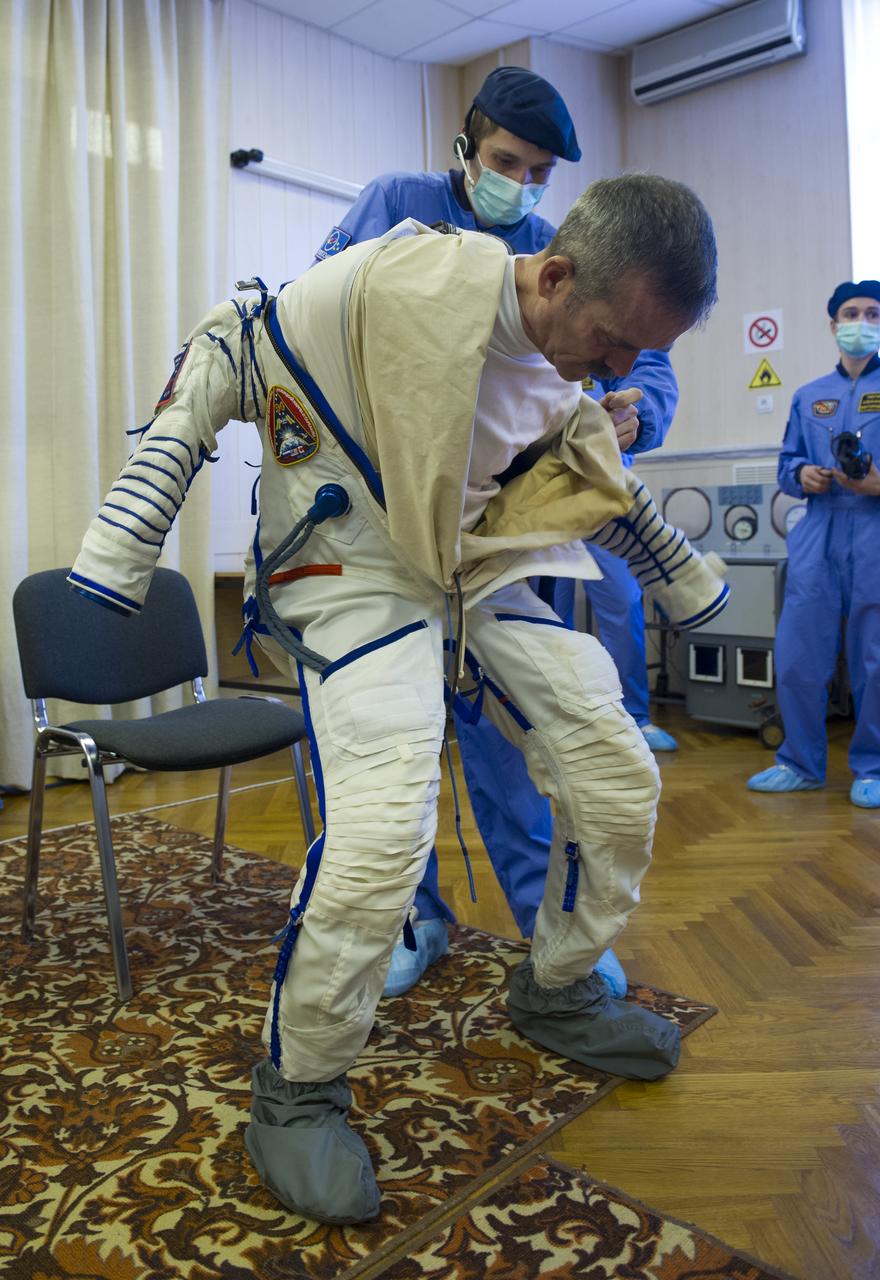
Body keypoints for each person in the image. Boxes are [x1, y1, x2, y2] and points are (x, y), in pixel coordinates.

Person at [69, 173, 721, 1225]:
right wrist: (124, 540)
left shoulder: (564, 363)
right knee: (381, 832)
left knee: (613, 771)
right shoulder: (379, 283)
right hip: (353, 563)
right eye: (609, 341)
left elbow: (599, 467)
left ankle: (554, 982)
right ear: (554, 277)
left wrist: (684, 580)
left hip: (473, 563)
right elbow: (228, 343)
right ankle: (299, 1083)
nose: (613, 372)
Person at [315, 66, 680, 999]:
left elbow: (646, 368)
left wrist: (634, 412)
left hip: (497, 536)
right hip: (382, 528)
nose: (518, 183)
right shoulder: (398, 208)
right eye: (505, 161)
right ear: (465, 148)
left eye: (537, 170)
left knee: (514, 744)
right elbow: (318, 315)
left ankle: (547, 928)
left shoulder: (558, 252)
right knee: (378, 755)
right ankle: (410, 918)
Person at [748, 280, 880, 807]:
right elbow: (784, 466)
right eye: (851, 313)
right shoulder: (809, 395)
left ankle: (872, 767)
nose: (861, 321)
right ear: (833, 325)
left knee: (875, 657)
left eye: (872, 313)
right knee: (800, 652)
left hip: (874, 529)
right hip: (819, 530)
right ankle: (799, 762)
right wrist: (802, 474)